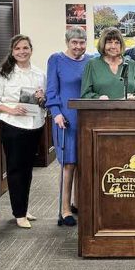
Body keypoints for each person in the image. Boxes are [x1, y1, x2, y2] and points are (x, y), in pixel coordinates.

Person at [0, 35, 47, 229]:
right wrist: (11, 110)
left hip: (35, 125)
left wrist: (42, 98)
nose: (22, 51)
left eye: (25, 48)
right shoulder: (4, 73)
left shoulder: (39, 73)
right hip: (13, 125)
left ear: (31, 49)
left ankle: (23, 207)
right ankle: (18, 213)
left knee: (27, 169)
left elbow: (44, 102)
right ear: (12, 52)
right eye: (18, 48)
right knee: (15, 169)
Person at [45, 27, 93, 226]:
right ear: (67, 42)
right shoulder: (56, 59)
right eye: (74, 42)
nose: (78, 46)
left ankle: (78, 203)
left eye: (81, 42)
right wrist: (56, 113)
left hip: (87, 118)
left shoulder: (92, 60)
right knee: (69, 164)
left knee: (84, 163)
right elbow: (51, 90)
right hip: (65, 119)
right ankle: (65, 209)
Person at [81, 27, 135, 100]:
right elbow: (85, 94)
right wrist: (98, 98)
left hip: (129, 110)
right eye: (109, 42)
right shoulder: (92, 64)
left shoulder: (131, 64)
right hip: (101, 110)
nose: (113, 46)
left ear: (121, 45)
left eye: (117, 43)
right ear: (103, 44)